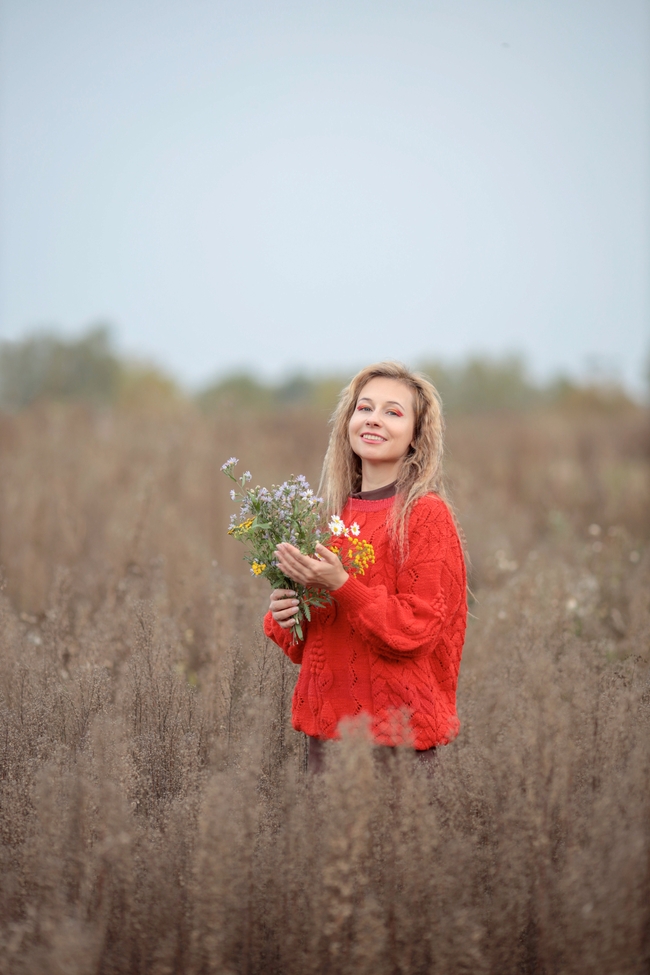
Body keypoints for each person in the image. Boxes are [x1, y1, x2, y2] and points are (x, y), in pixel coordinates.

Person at [263, 361, 467, 772]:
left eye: (393, 412)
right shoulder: (332, 518)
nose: (374, 420)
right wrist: (285, 615)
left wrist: (342, 584)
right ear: (348, 421)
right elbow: (312, 646)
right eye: (364, 408)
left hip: (396, 741)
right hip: (326, 737)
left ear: (416, 435)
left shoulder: (425, 515)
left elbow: (416, 630)